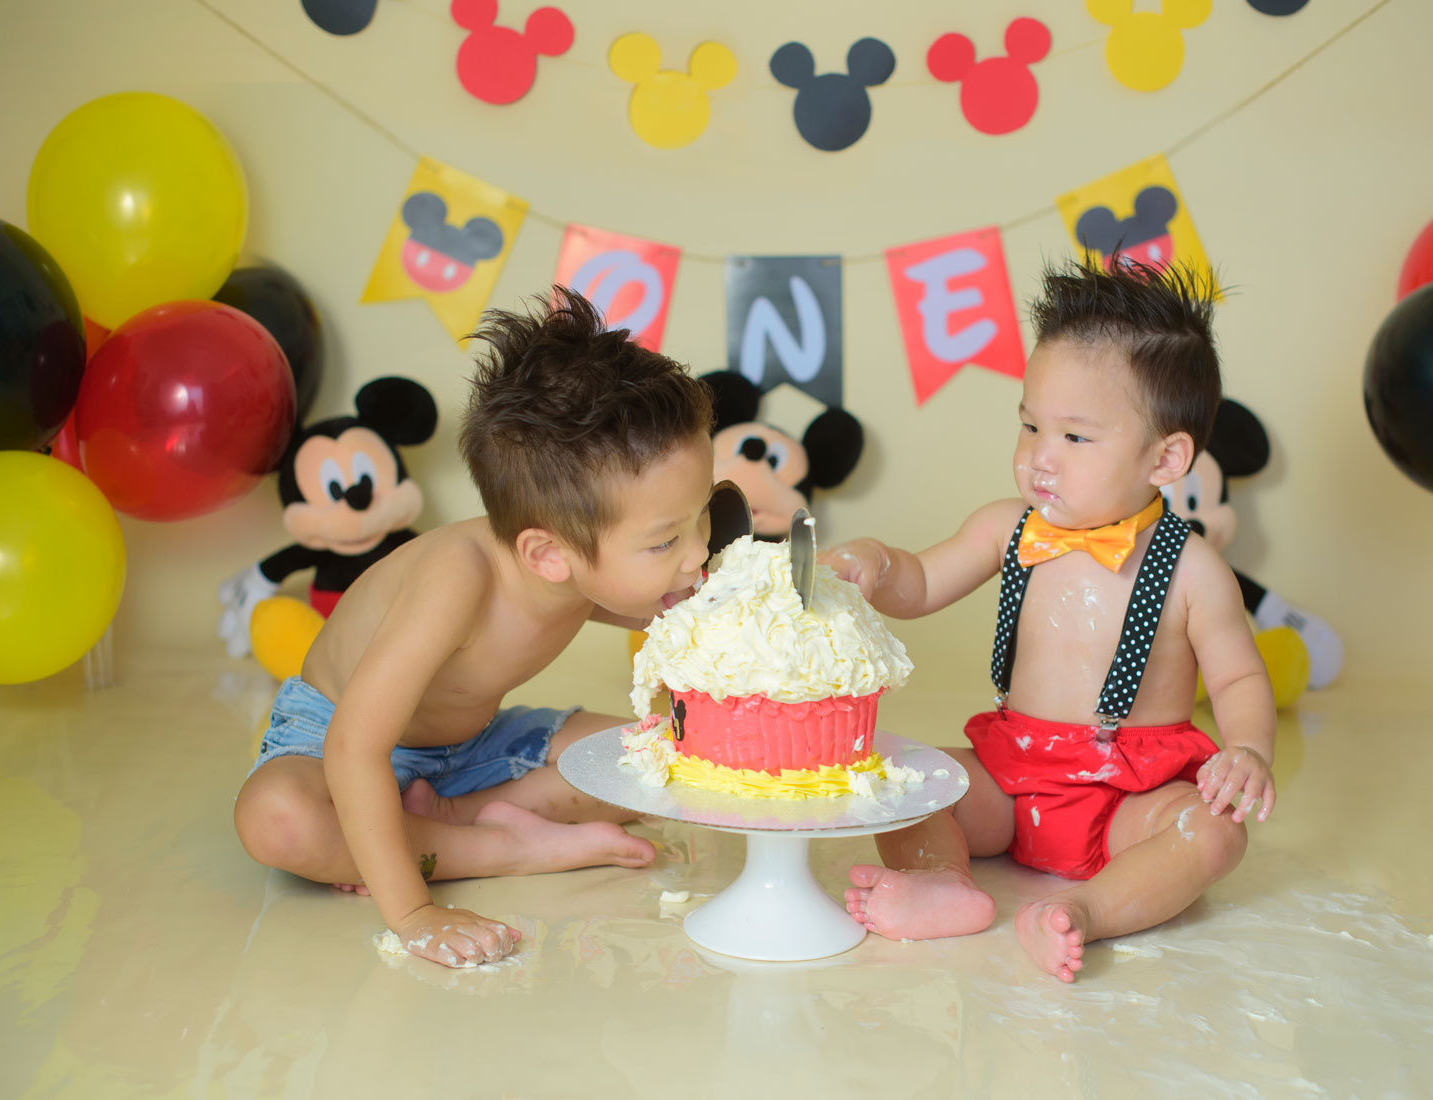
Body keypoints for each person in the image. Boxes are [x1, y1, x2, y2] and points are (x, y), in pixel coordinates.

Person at [233, 288, 716, 969]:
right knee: (277, 819)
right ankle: (502, 847)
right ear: (548, 554)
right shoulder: (455, 580)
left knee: (670, 757)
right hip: (342, 742)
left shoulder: (579, 560)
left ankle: (453, 819)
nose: (698, 552)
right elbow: (354, 747)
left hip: (479, 746)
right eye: (666, 541)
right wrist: (413, 913)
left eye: (702, 515)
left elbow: (671, 614)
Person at [823, 260, 1276, 982]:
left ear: (1166, 458)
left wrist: (1247, 749)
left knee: (1214, 834)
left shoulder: (1193, 570)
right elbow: (924, 580)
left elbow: (1239, 674)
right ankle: (945, 883)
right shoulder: (1009, 528)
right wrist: (879, 564)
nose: (1039, 457)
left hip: (1132, 800)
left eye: (1075, 438)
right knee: (899, 781)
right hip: (1013, 779)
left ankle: (1086, 913)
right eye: (1031, 424)